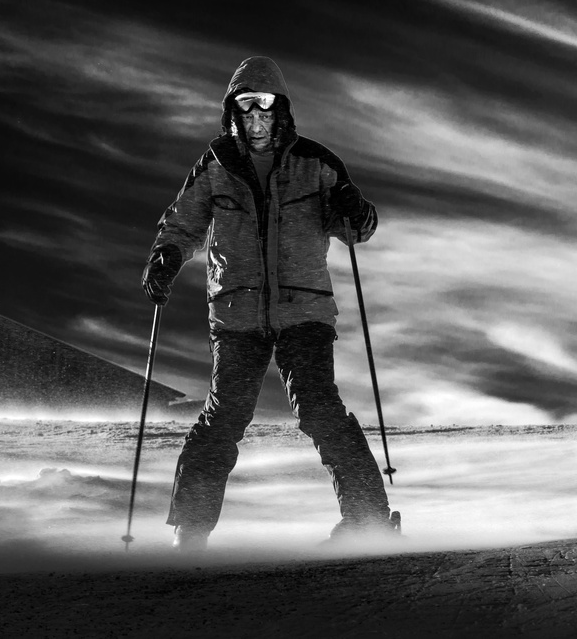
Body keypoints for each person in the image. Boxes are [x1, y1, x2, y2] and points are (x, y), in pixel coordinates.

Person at [141, 56, 397, 551]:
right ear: (232, 113)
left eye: (265, 109)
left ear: (281, 111)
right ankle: (190, 532)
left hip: (304, 310)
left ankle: (368, 519)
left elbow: (357, 229)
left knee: (320, 409)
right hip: (237, 313)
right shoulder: (215, 165)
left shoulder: (316, 163)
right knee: (225, 416)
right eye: (247, 110)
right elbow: (182, 224)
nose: (256, 120)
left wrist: (356, 209)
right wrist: (165, 257)